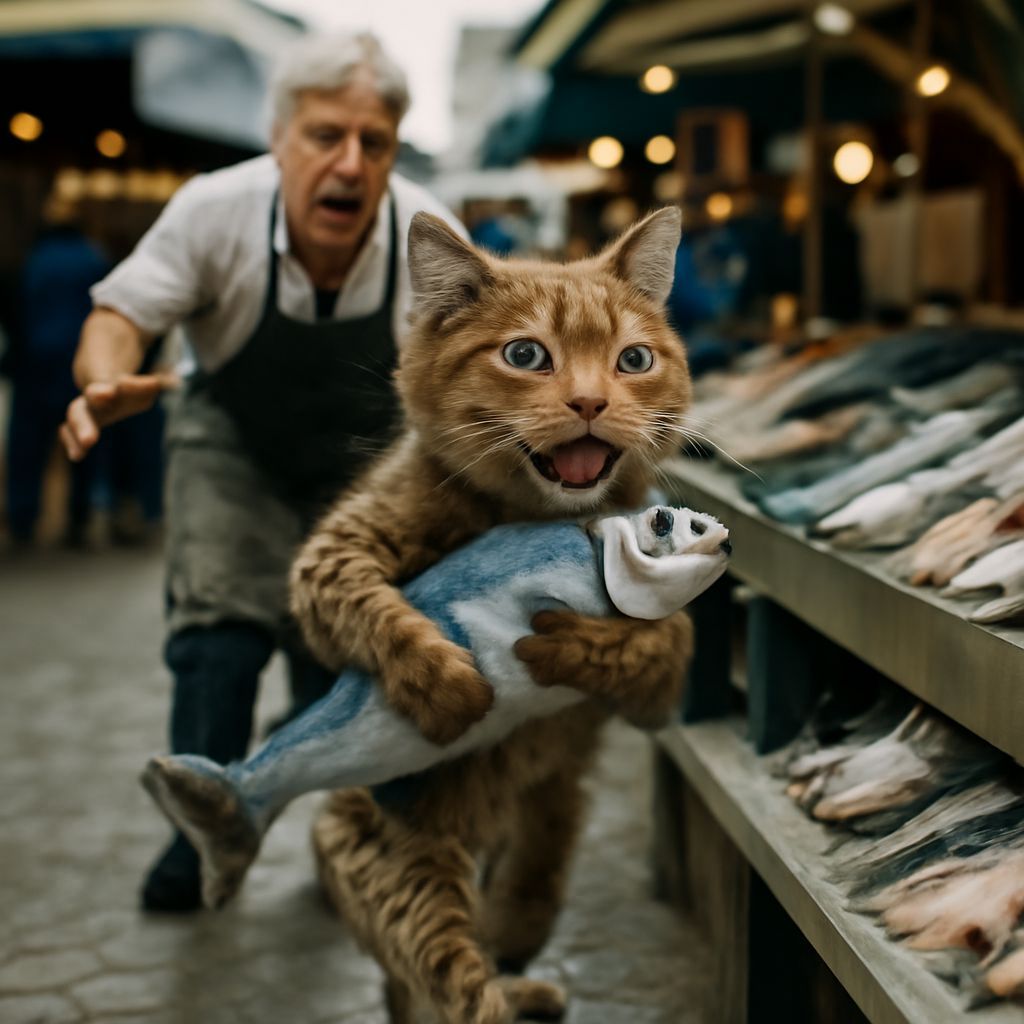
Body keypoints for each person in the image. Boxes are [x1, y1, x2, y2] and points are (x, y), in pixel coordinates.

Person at [60, 31, 466, 912]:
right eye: (326, 136)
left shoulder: (429, 236)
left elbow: (468, 377)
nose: (351, 166)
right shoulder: (214, 209)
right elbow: (118, 314)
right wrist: (104, 383)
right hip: (229, 442)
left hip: (363, 456)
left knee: (341, 661)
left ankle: (335, 838)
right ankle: (197, 840)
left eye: (375, 143)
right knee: (219, 645)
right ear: (279, 137)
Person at [5, 196, 110, 547]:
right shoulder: (93, 259)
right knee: (82, 440)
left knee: (28, 445)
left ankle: (23, 519)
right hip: (79, 364)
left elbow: (15, 312)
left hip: (35, 364)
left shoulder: (34, 261)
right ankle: (78, 518)